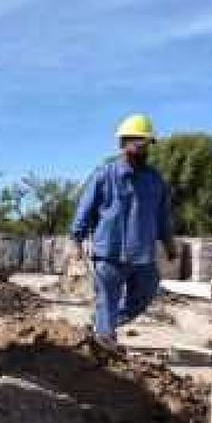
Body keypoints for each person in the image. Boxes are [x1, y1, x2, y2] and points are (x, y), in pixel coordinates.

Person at [69, 113, 177, 338]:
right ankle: (105, 340)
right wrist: (76, 240)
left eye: (145, 143)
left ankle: (103, 324)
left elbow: (163, 216)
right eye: (136, 142)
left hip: (143, 257)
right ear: (122, 143)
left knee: (145, 295)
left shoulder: (155, 181)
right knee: (106, 302)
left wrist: (169, 244)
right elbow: (85, 208)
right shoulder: (104, 176)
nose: (141, 148)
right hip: (109, 254)